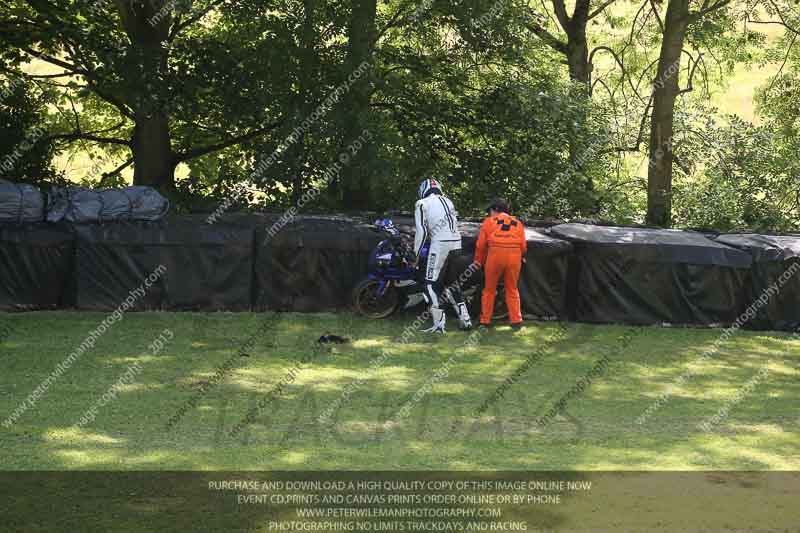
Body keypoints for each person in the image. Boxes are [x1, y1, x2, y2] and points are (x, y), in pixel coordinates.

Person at [413, 178, 473, 333]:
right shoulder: (448, 201)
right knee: (452, 283)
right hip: (456, 243)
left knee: (430, 284)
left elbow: (422, 231)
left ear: (423, 190)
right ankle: (465, 319)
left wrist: (416, 254)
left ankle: (439, 324)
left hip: (440, 244)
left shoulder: (421, 203)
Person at [474, 198, 527, 331]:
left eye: (490, 211)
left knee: (489, 290)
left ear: (496, 210)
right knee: (512, 289)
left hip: (495, 254)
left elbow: (480, 246)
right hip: (514, 255)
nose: (489, 214)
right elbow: (523, 246)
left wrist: (478, 262)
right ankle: (516, 321)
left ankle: (485, 321)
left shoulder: (488, 222)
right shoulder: (518, 223)